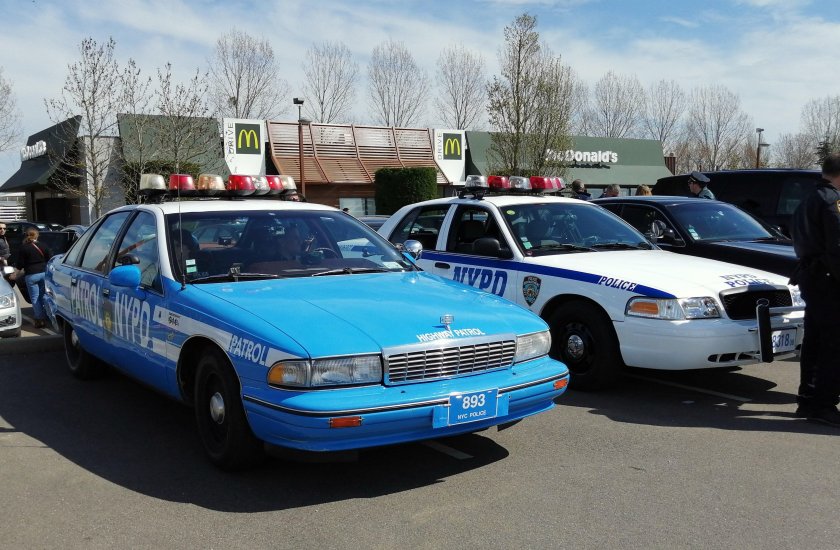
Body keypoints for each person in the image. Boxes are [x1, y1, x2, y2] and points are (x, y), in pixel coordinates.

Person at [789, 152, 840, 427]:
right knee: (832, 346)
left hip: (811, 277)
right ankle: (824, 405)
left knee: (814, 342)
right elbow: (837, 247)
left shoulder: (808, 199)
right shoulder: (833, 201)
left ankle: (808, 399)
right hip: (829, 280)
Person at [14, 228, 53, 329]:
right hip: (43, 274)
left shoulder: (23, 248)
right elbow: (50, 259)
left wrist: (14, 274)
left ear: (26, 235)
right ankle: (47, 316)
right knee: (43, 296)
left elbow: (20, 264)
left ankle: (40, 320)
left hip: (31, 275)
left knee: (35, 298)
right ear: (37, 236)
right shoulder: (44, 245)